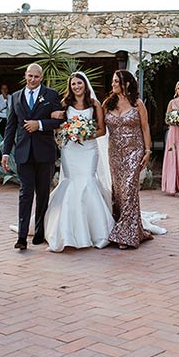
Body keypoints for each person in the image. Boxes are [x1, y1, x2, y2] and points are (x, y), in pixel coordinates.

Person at [44, 72, 114, 252]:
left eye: (79, 83)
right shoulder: (65, 105)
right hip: (70, 150)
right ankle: (66, 231)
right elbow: (59, 127)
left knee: (88, 181)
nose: (76, 87)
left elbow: (102, 130)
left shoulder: (95, 104)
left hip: (89, 149)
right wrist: (66, 134)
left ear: (85, 85)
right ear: (70, 87)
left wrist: (84, 133)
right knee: (72, 183)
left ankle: (96, 230)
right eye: (73, 84)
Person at [1, 63, 62, 250]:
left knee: (43, 194)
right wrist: (5, 152)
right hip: (23, 153)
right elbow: (10, 126)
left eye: (36, 77)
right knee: (25, 194)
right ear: (25, 75)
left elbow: (59, 120)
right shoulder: (15, 97)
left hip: (45, 152)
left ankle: (40, 232)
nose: (32, 79)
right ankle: (21, 237)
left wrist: (40, 124)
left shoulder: (51, 95)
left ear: (41, 78)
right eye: (30, 76)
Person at [103, 70, 153, 249]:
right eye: (113, 81)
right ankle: (131, 228)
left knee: (130, 189)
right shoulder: (108, 103)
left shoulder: (137, 103)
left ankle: (126, 235)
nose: (113, 84)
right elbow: (99, 126)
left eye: (117, 81)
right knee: (118, 191)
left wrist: (147, 151)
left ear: (127, 83)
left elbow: (145, 127)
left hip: (134, 150)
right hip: (114, 153)